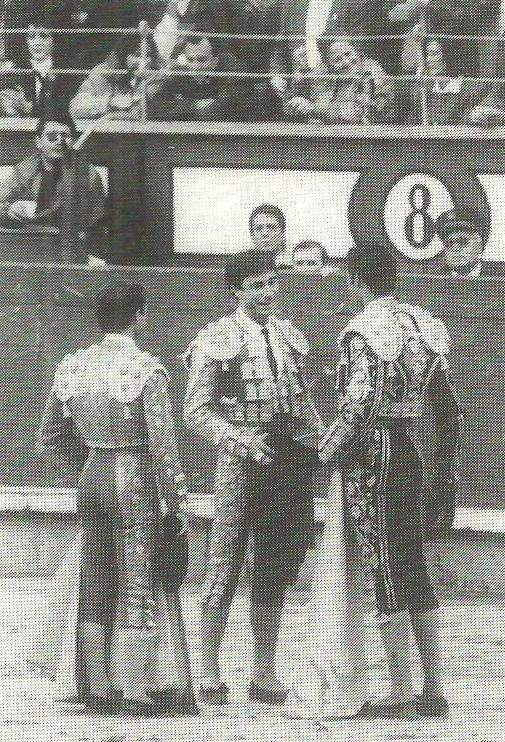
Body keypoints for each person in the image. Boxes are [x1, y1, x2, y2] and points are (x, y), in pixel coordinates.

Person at [37, 281, 198, 717]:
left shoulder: (73, 367)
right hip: (133, 480)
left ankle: (96, 684)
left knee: (94, 578)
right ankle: (135, 687)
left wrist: (87, 467)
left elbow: (49, 436)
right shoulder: (146, 371)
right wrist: (175, 504)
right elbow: (163, 448)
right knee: (137, 580)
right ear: (139, 316)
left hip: (92, 477)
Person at [318, 242, 461, 718]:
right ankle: (433, 688)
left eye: (348, 280)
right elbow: (450, 412)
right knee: (411, 564)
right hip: (409, 450)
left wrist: (325, 451)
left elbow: (360, 406)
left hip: (372, 455)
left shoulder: (364, 331)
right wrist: (445, 472)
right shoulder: (422, 326)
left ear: (357, 280)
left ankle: (401, 690)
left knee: (383, 566)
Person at [183, 249, 324, 705]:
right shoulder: (216, 338)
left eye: (271, 283)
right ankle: (208, 668)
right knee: (224, 561)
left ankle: (264, 670)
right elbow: (196, 411)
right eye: (256, 286)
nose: (267, 293)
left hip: (289, 459)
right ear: (235, 291)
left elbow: (301, 401)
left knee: (274, 566)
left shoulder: (289, 335)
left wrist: (322, 439)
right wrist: (237, 438)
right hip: (241, 461)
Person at [0, 114, 105, 235]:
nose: (59, 141)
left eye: (65, 136)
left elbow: (91, 219)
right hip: (31, 238)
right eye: (52, 136)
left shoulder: (87, 174)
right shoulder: (26, 169)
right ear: (39, 142)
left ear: (73, 141)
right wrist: (9, 211)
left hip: (69, 240)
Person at [283, 38, 397, 124]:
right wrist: (297, 82)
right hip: (336, 137)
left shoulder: (371, 73)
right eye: (338, 60)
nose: (346, 62)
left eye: (348, 54)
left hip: (373, 140)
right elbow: (289, 108)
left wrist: (313, 110)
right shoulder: (326, 72)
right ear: (329, 66)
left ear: (357, 51)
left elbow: (355, 114)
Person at [147, 34, 247, 121]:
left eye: (202, 60)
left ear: (215, 60)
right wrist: (194, 105)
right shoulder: (182, 71)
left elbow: (222, 112)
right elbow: (156, 108)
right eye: (190, 60)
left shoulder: (235, 71)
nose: (195, 67)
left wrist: (180, 111)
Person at [69, 31, 165, 120]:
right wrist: (110, 102)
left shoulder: (157, 79)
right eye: (136, 55)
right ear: (123, 56)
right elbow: (76, 107)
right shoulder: (104, 73)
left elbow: (140, 113)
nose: (143, 63)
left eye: (148, 56)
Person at [402, 37, 495, 125]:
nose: (428, 60)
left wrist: (474, 117)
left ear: (447, 55)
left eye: (434, 54)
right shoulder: (426, 92)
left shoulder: (470, 90)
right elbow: (412, 122)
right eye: (427, 54)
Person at [0, 20, 71, 118]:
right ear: (26, 41)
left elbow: (65, 108)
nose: (37, 42)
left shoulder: (67, 70)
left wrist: (28, 108)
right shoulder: (15, 70)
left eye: (43, 36)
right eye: (31, 37)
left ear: (54, 39)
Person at [435, 206, 496, 277]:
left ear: (479, 245)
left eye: (462, 242)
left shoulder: (498, 276)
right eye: (449, 244)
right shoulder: (435, 279)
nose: (455, 248)